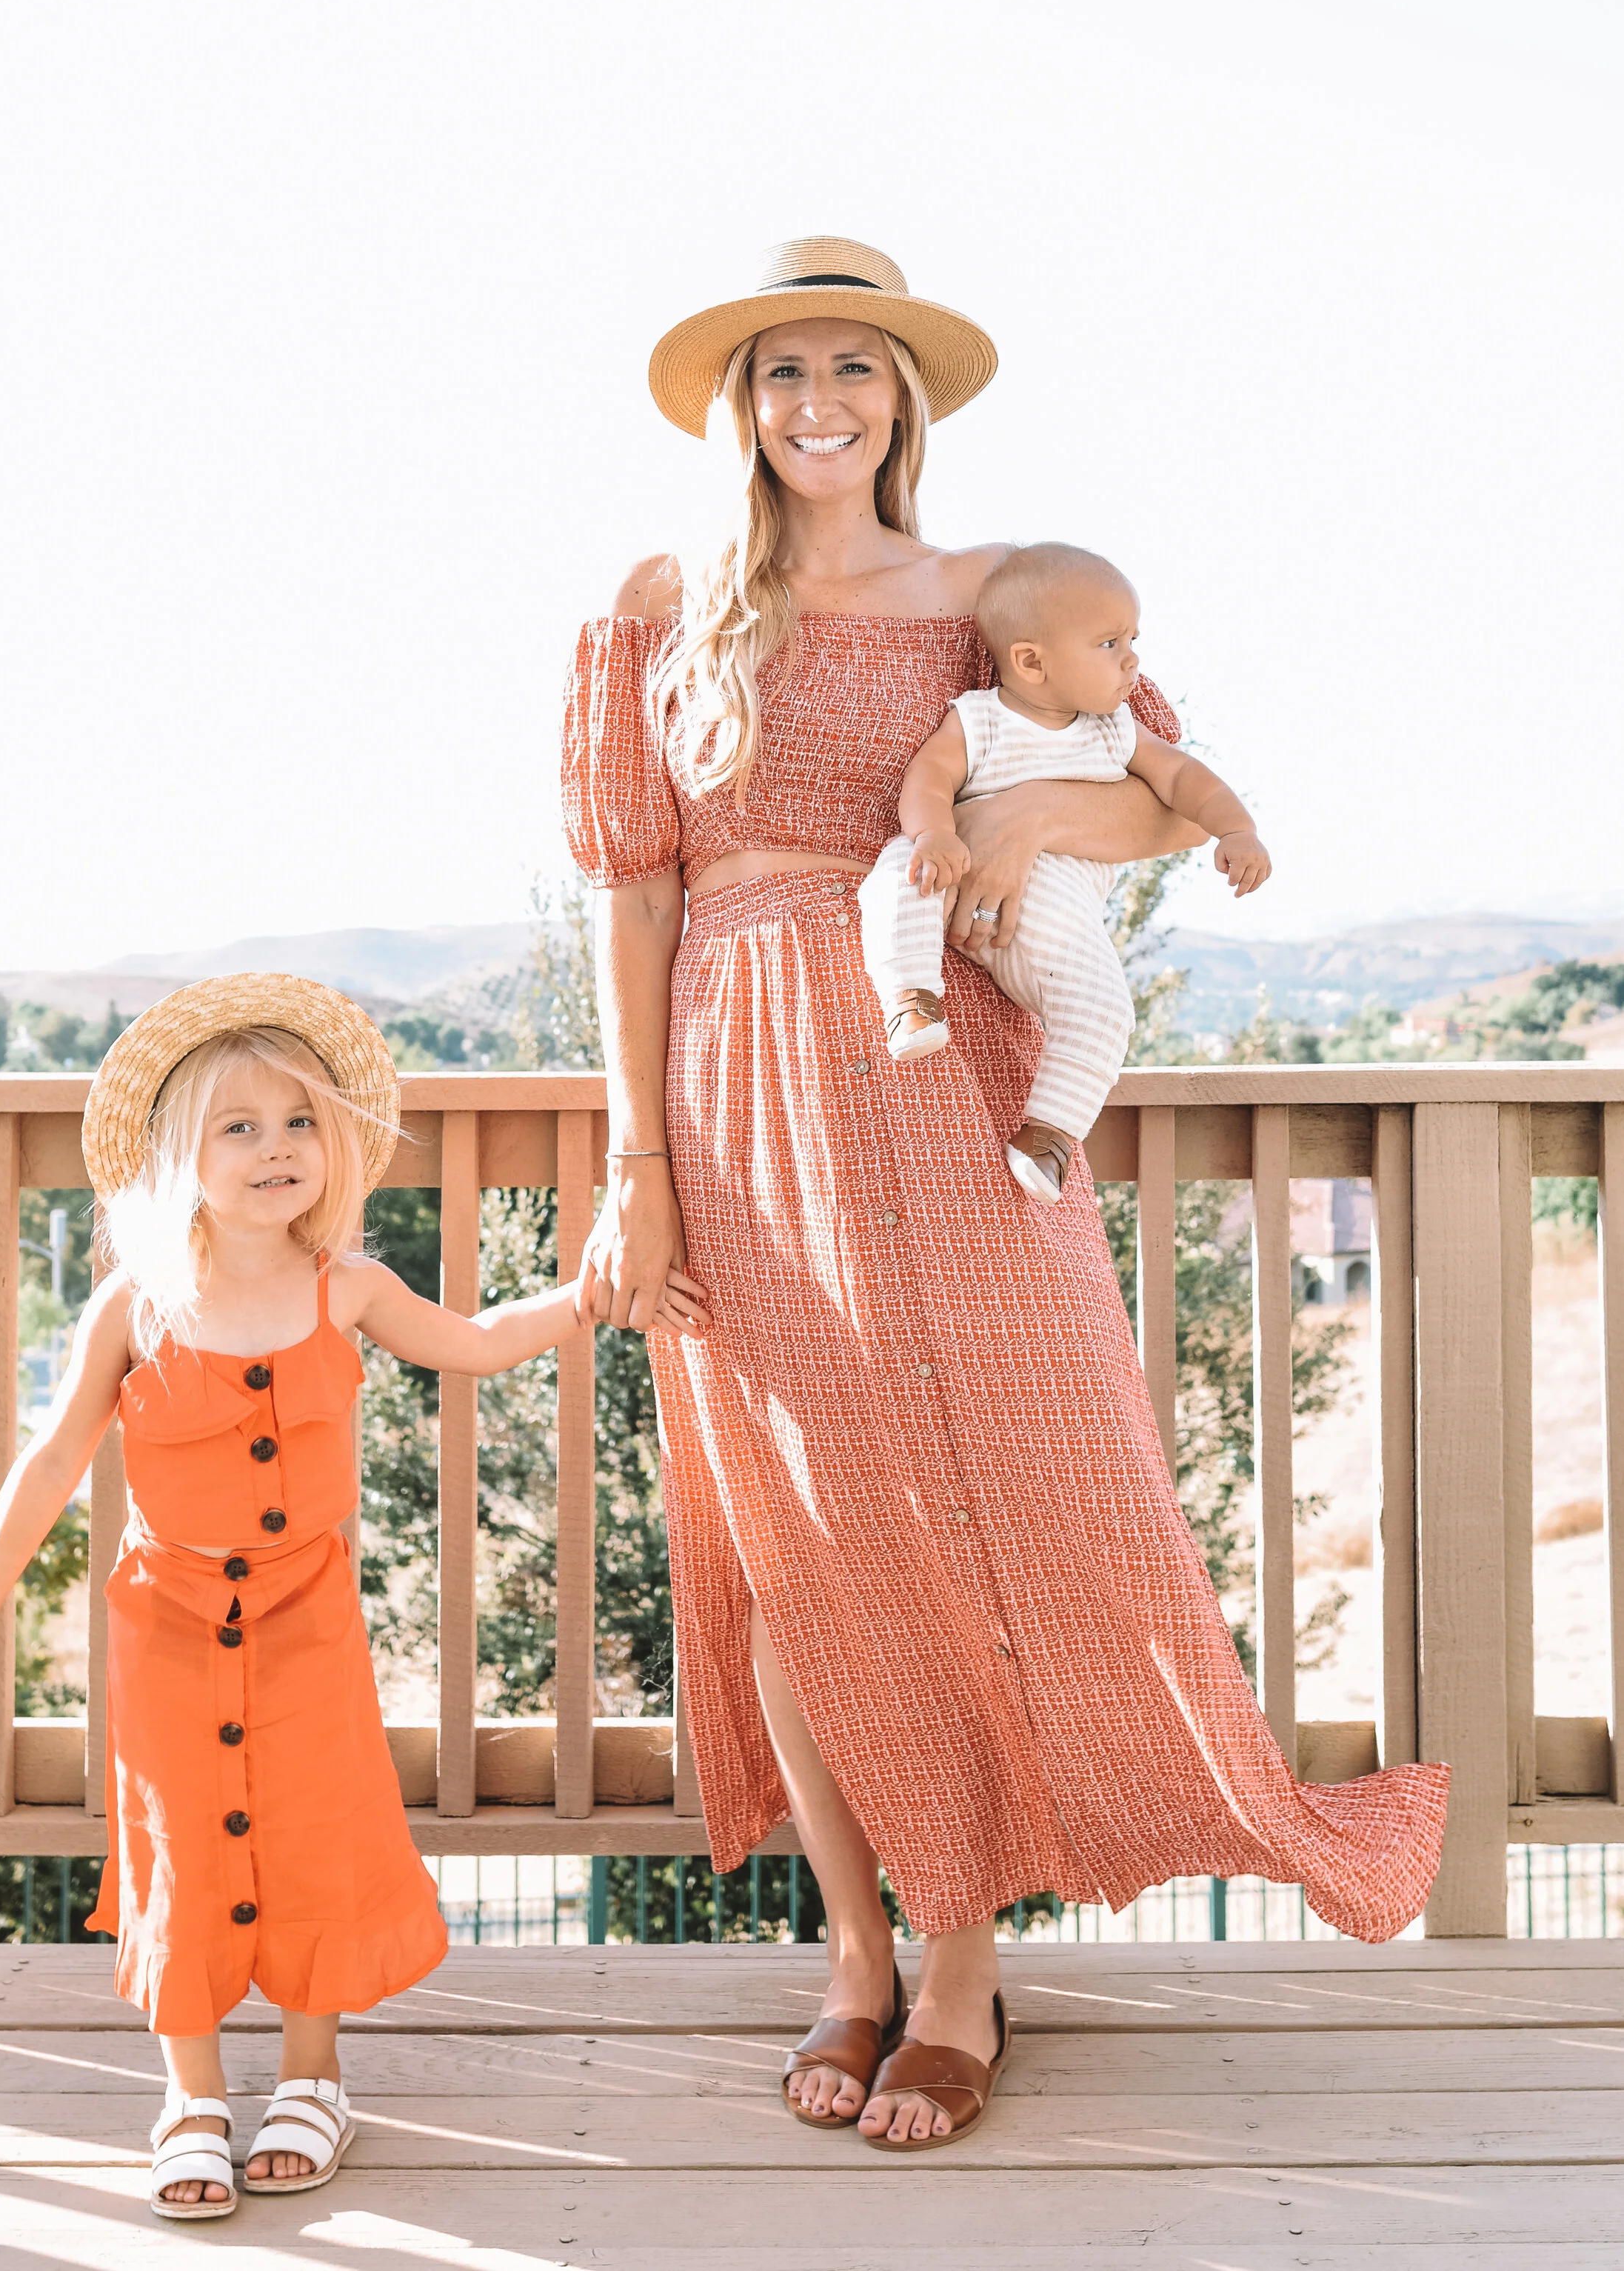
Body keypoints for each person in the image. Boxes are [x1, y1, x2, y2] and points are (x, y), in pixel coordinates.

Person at [564, 236, 1448, 2154]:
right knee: (798, 1528)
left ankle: (966, 1961)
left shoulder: (994, 594)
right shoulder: (655, 606)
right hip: (727, 1083)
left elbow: (1161, 774)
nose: (817, 401)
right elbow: (627, 887)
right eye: (781, 368)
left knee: (1022, 1477)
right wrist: (634, 1160)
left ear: (906, 398)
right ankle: (862, 1951)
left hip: (949, 1070)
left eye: (852, 368)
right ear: (739, 399)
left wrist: (1028, 815)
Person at [0, 973, 700, 2223]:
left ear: (334, 1146)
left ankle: (315, 2078)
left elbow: (475, 1343)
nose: (277, 1151)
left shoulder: (348, 1287)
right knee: (181, 1849)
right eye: (240, 1128)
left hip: (309, 1622)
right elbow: (50, 1462)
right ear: (181, 1157)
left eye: (299, 1124)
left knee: (315, 1833)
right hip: (167, 1626)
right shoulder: (139, 1304)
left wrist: (589, 1295)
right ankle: (192, 2096)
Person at [857, 538, 1271, 1204]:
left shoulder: (1118, 732)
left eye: (1134, 638)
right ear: (1031, 661)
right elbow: (929, 775)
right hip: (959, 880)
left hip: (1059, 929)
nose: (1132, 658)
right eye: (1110, 643)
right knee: (897, 872)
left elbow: (1186, 778)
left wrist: (1237, 829)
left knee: (1107, 1010)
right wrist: (934, 833)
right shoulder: (980, 720)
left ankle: (1048, 1133)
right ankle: (912, 996)